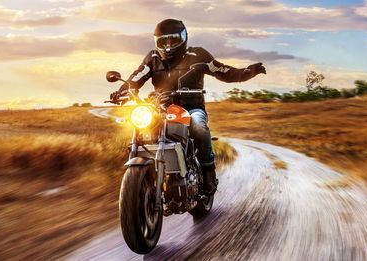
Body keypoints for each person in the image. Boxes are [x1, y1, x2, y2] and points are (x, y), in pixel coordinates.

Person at [110, 19, 266, 193]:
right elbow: (136, 77)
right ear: (157, 41)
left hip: (192, 108)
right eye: (163, 41)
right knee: (140, 127)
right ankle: (146, 179)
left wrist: (248, 72)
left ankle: (208, 173)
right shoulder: (153, 58)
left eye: (173, 40)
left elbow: (223, 71)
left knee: (198, 126)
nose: (168, 46)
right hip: (161, 110)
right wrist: (123, 91)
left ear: (183, 38)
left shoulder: (198, 55)